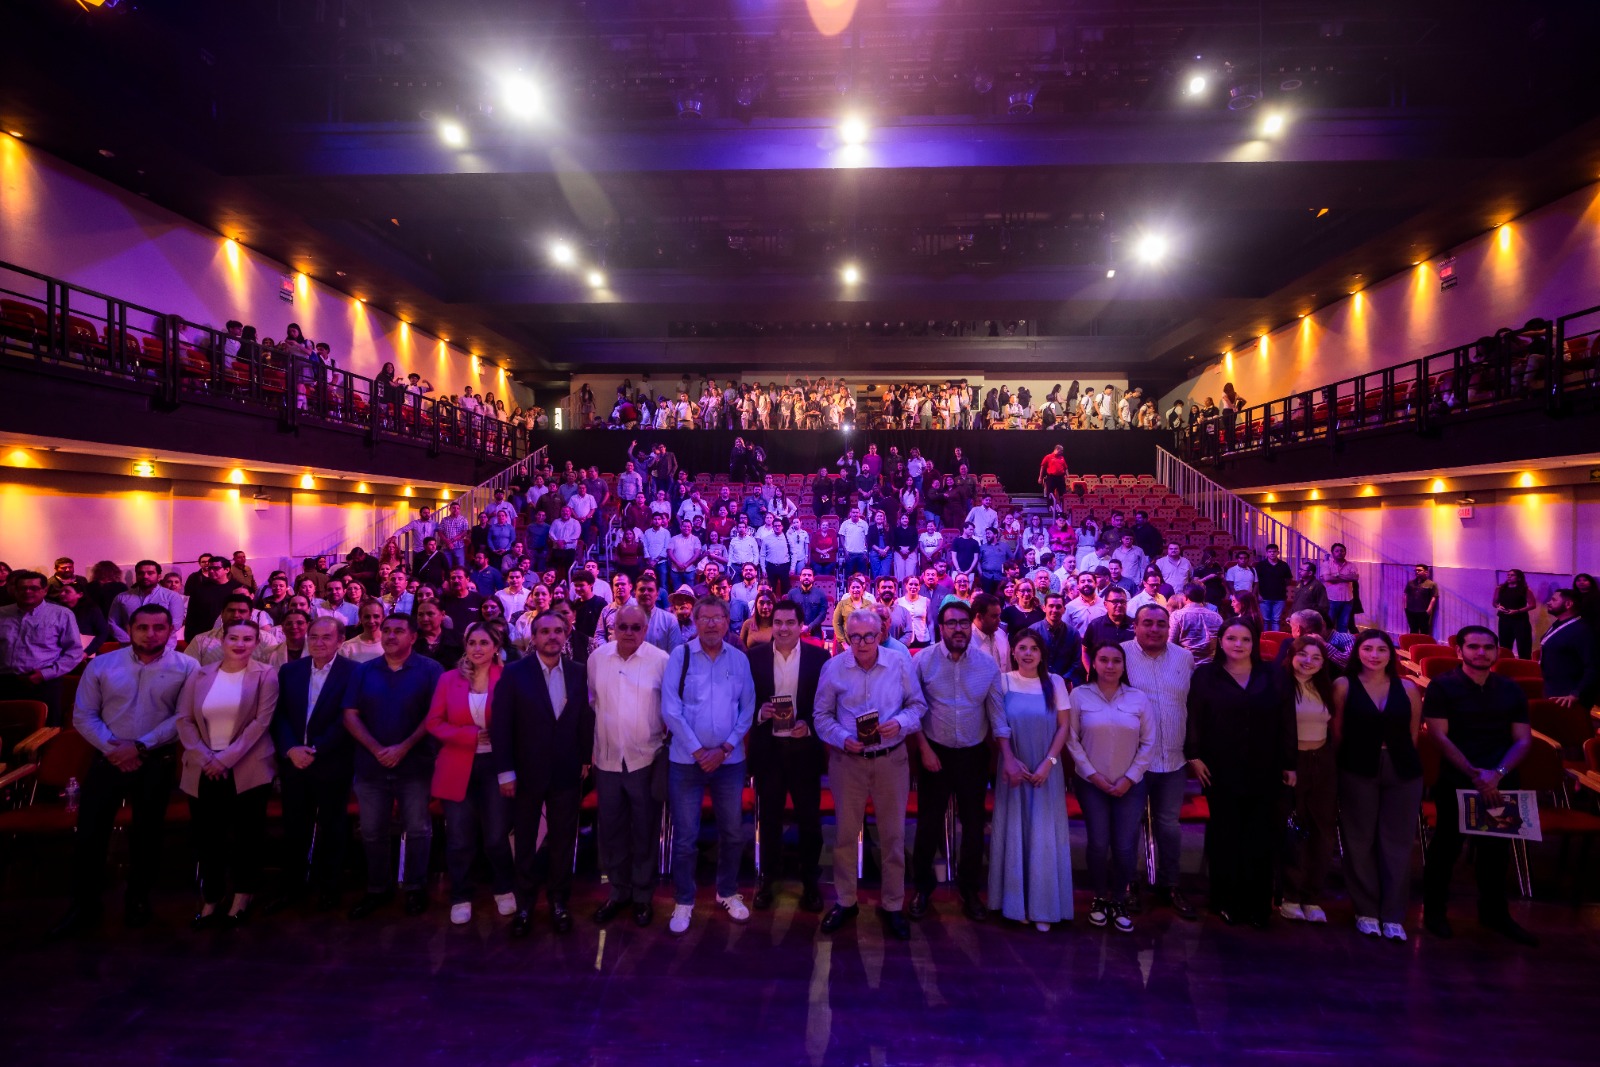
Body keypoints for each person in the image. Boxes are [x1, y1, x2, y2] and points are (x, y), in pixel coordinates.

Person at [50, 604, 199, 937]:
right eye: (142, 627)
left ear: (170, 629)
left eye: (158, 627)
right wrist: (115, 749)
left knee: (147, 836)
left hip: (155, 761)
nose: (150, 634)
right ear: (130, 629)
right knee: (90, 835)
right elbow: (83, 715)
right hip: (108, 757)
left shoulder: (188, 666)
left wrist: (140, 746)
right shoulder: (102, 664)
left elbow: (183, 717)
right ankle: (84, 905)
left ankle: (138, 900)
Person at [1421, 626, 1537, 945]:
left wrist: (1496, 774)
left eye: (1488, 647)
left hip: (1500, 779)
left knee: (1496, 852)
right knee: (1446, 848)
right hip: (1457, 778)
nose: (1481, 652)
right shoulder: (1443, 687)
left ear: (1497, 651)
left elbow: (1523, 740)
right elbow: (1439, 737)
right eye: (1473, 647)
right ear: (1460, 651)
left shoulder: (1510, 689)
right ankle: (1435, 912)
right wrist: (1476, 774)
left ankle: (1495, 914)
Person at [814, 607, 924, 940]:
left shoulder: (900, 663)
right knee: (845, 836)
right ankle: (846, 901)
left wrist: (901, 723)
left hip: (891, 759)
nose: (861, 643)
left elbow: (917, 706)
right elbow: (820, 716)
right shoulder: (833, 668)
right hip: (848, 762)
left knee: (893, 837)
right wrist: (842, 739)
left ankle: (892, 905)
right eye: (855, 636)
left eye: (869, 636)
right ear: (846, 636)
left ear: (880, 635)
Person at [1185, 620, 1296, 927]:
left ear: (1254, 643)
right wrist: (1193, 755)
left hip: (1266, 766)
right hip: (1220, 767)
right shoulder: (1206, 675)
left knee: (1260, 836)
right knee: (1226, 835)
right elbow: (1194, 715)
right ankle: (1225, 900)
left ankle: (1258, 903)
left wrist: (1289, 763)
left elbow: (1287, 719)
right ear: (1220, 641)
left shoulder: (1272, 674)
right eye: (1231, 638)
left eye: (1245, 639)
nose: (1238, 644)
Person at [492, 609, 594, 937]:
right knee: (524, 840)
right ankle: (524, 903)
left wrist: (584, 757)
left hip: (567, 769)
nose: (552, 636)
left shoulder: (579, 672)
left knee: (564, 839)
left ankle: (559, 901)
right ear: (533, 637)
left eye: (559, 631)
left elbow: (583, 718)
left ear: (566, 636)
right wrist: (505, 771)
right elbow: (502, 725)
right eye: (545, 631)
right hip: (525, 771)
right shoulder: (514, 673)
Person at [174, 618, 279, 929]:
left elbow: (261, 723)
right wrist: (206, 757)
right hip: (204, 766)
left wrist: (226, 759)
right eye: (234, 637)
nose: (240, 643)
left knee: (247, 836)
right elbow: (184, 719)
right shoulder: (200, 674)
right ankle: (212, 896)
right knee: (208, 837)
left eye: (248, 639)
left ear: (256, 643)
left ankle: (243, 894)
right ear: (222, 640)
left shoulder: (265, 674)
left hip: (247, 767)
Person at [661, 596, 756, 935]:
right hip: (686, 762)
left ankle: (728, 891)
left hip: (730, 763)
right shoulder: (680, 656)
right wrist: (700, 751)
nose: (713, 624)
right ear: (696, 622)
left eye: (719, 618)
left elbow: (748, 707)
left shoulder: (739, 660)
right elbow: (670, 709)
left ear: (728, 621)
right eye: (707, 618)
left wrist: (727, 746)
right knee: (685, 837)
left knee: (732, 833)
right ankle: (684, 899)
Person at [342, 613, 445, 919]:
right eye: (386, 630)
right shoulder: (364, 671)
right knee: (372, 831)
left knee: (418, 829)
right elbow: (350, 714)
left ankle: (415, 888)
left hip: (415, 765)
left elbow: (436, 715)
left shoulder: (431, 670)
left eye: (398, 631)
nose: (389, 635)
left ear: (413, 637)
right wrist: (377, 749)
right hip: (371, 766)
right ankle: (377, 888)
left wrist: (404, 747)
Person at [909, 599, 1005, 922]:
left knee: (975, 827)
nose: (959, 629)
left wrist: (1007, 757)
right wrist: (923, 748)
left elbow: (997, 715)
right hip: (934, 752)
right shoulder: (922, 662)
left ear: (970, 625)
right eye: (952, 624)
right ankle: (922, 888)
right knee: (928, 824)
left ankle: (969, 890)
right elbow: (912, 711)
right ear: (941, 628)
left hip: (973, 754)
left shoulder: (987, 665)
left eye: (964, 623)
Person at [1332, 630, 1424, 940]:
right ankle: (1366, 909)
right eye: (1368, 648)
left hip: (1402, 769)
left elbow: (1413, 735)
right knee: (1359, 840)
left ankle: (1393, 914)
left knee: (1397, 843)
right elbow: (1338, 732)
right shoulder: (1343, 685)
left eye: (1381, 649)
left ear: (1390, 654)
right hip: (1357, 766)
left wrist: (1400, 761)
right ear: (1357, 652)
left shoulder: (1409, 688)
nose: (1374, 655)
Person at [424, 623, 516, 926]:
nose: (477, 648)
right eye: (472, 642)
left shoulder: (508, 678)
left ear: (495, 646)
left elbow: (519, 724)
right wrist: (469, 736)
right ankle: (460, 895)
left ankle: (503, 888)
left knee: (495, 837)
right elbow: (434, 723)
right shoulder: (449, 679)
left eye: (484, 643)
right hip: (457, 765)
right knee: (459, 838)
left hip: (496, 768)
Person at [265, 617, 355, 914]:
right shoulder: (290, 671)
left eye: (326, 637)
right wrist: (291, 749)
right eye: (313, 636)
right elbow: (278, 716)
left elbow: (348, 719)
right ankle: (293, 885)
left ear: (340, 640)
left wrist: (315, 749)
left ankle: (329, 886)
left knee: (332, 826)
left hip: (331, 761)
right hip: (294, 763)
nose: (318, 642)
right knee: (294, 826)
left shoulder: (354, 672)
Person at [986, 629, 1075, 930]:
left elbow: (1064, 727)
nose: (1027, 654)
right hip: (1012, 767)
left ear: (1041, 653)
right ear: (1012, 652)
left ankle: (1044, 905)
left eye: (1033, 649)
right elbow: (997, 725)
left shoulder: (1056, 683)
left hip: (1045, 769)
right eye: (1021, 648)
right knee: (1014, 830)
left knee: (1043, 834)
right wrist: (1010, 759)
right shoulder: (1002, 682)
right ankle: (1014, 904)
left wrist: (1049, 763)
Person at [588, 605, 671, 927]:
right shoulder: (598, 659)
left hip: (645, 760)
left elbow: (669, 709)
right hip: (606, 760)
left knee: (645, 831)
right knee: (612, 831)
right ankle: (618, 892)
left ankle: (642, 896)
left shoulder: (660, 661)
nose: (629, 633)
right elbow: (593, 701)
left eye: (636, 627)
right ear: (613, 627)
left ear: (646, 629)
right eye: (622, 626)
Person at [747, 600, 830, 913]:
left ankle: (810, 881)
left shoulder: (820, 657)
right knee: (769, 821)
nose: (782, 628)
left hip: (804, 751)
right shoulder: (753, 657)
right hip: (768, 751)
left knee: (810, 820)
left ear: (800, 625)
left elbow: (826, 705)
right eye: (778, 622)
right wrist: (759, 712)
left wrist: (808, 725)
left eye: (789, 623)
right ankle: (768, 880)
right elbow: (743, 701)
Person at [1068, 642, 1155, 933]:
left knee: (1124, 845)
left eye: (1116, 660)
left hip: (1130, 784)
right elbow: (1071, 740)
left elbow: (1148, 742)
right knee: (1098, 842)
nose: (1109, 666)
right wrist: (1093, 776)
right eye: (1103, 660)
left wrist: (1129, 778)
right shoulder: (1079, 695)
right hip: (1092, 783)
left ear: (1123, 665)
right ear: (1093, 663)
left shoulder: (1138, 698)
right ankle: (1099, 898)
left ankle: (1119, 899)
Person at [1119, 606, 1198, 920]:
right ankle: (1129, 884)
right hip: (1133, 761)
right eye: (1147, 623)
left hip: (1173, 758)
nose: (1154, 629)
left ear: (1169, 627)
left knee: (1169, 826)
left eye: (1161, 624)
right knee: (1128, 827)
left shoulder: (1184, 658)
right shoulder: (1120, 655)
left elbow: (1193, 705)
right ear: (1135, 626)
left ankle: (1170, 884)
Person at [1270, 634, 1335, 925]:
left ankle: (1312, 895)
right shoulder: (1278, 685)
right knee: (1291, 830)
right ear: (1291, 656)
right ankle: (1289, 895)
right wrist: (1286, 764)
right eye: (1303, 655)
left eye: (1316, 657)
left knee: (1321, 830)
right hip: (1289, 764)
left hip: (1321, 762)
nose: (1309, 662)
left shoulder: (1327, 687)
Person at [0, 569, 85, 725]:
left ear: (45, 590)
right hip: (5, 683)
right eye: (23, 588)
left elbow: (74, 652)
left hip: (43, 683)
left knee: (44, 731)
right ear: (15, 590)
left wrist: (46, 674)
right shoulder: (2, 614)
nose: (28, 591)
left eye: (34, 588)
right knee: (7, 729)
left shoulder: (61, 614)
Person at [1539, 588, 1597, 706]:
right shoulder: (1558, 623)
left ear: (1568, 604)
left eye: (1554, 600)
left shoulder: (1582, 630)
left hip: (1568, 697)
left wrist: (1575, 694)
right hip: (1552, 688)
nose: (1548, 602)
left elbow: (1593, 667)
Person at [108, 559, 188, 645]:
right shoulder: (122, 597)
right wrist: (130, 641)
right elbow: (112, 623)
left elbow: (175, 624)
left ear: (159, 576)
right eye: (141, 573)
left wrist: (150, 641)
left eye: (150, 573)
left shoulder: (172, 597)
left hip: (163, 650)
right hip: (129, 649)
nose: (145, 576)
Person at [1169, 583, 1222, 661]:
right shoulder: (1217, 617)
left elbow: (1171, 643)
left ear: (1185, 597)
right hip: (1210, 665)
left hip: (1185, 665)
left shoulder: (1177, 615)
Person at [1492, 569, 1537, 659]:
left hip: (1520, 620)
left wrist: (1517, 611)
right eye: (1508, 575)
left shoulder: (1525, 589)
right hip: (1504, 619)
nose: (1509, 576)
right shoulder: (1500, 588)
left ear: (1519, 578)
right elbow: (1494, 602)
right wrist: (1498, 606)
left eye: (1512, 575)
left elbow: (1532, 605)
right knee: (1505, 645)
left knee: (1523, 644)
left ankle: (1524, 666)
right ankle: (1505, 665)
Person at [1318, 543, 1359, 633]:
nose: (1340, 553)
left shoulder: (1351, 565)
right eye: (1337, 551)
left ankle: (1340, 644)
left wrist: (1337, 575)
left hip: (1347, 600)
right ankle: (1328, 645)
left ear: (1345, 552)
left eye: (1342, 551)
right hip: (1331, 599)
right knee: (1330, 623)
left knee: (1343, 625)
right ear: (1332, 553)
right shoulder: (1327, 564)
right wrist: (1346, 577)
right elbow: (1327, 578)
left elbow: (1355, 578)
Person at [1255, 545, 1293, 631]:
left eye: (1274, 551)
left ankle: (1275, 640)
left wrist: (1280, 587)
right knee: (1265, 620)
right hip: (1264, 597)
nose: (1272, 553)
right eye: (1270, 552)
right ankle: (1265, 640)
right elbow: (1256, 581)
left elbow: (1288, 579)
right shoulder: (1261, 565)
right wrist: (1258, 594)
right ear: (1266, 553)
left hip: (1280, 597)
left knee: (1276, 620)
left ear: (1278, 553)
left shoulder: (1284, 565)